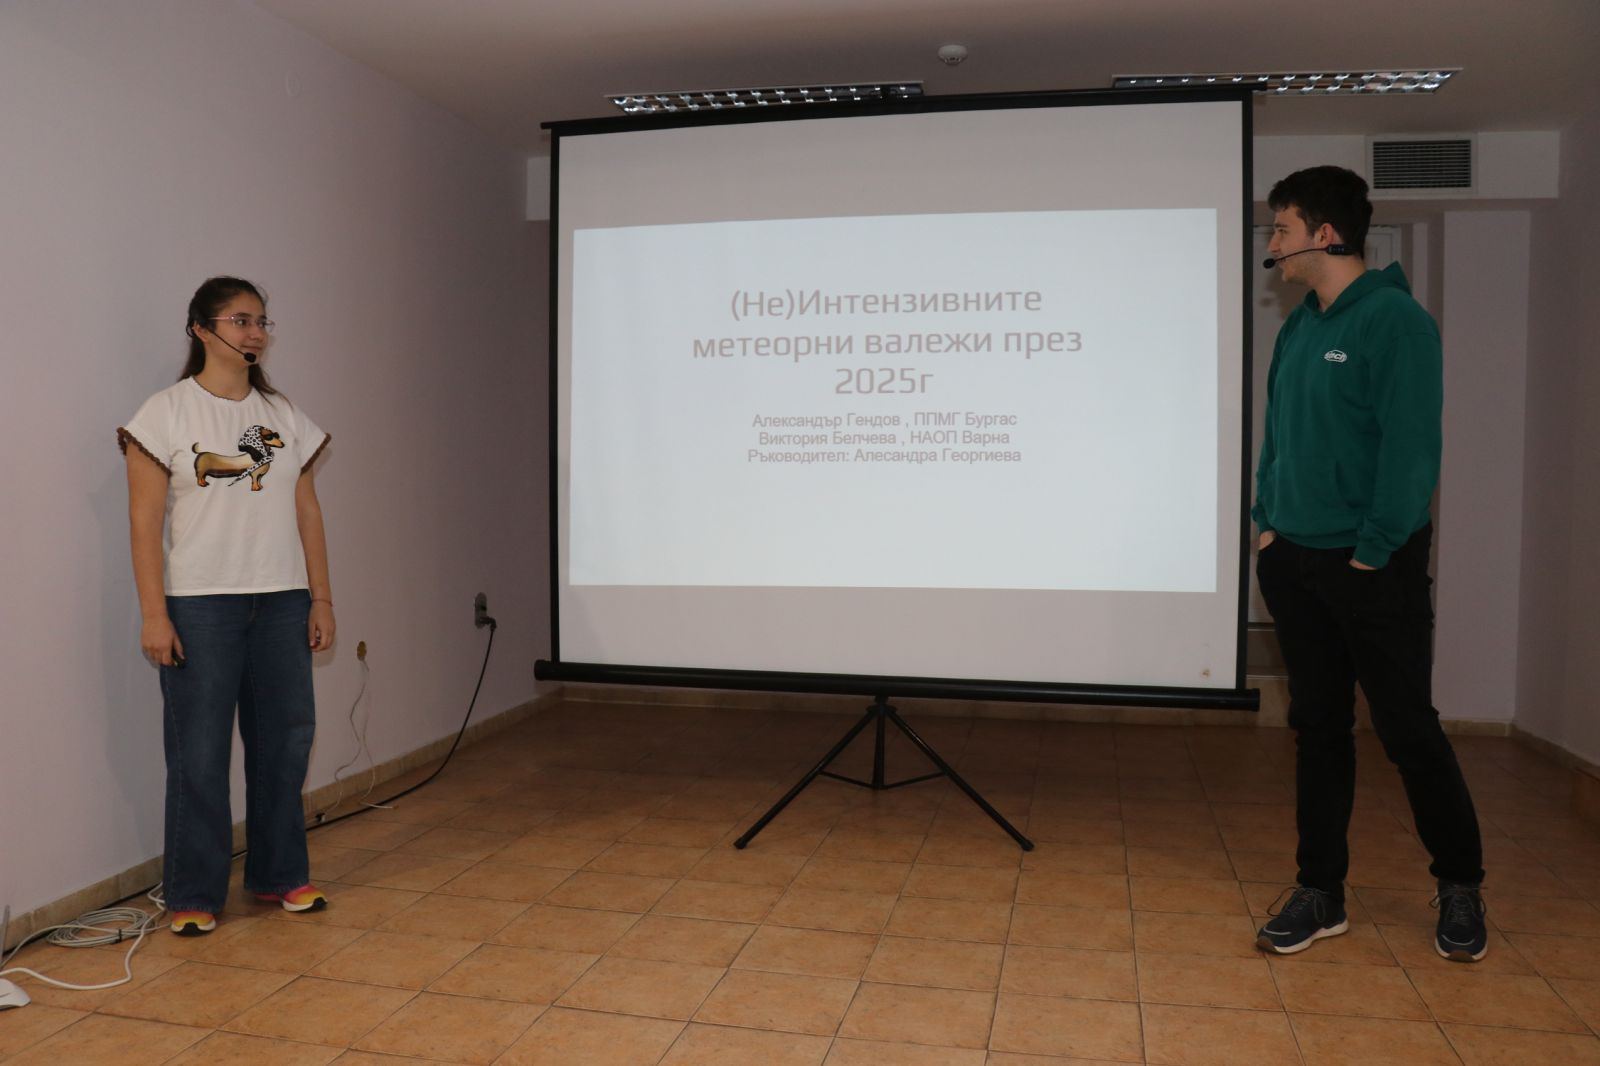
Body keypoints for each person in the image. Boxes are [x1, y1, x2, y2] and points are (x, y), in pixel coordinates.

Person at [1251, 167, 1487, 962]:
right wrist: (1266, 523)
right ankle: (1320, 892)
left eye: (1281, 230)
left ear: (1325, 235)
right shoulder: (1299, 327)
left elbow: (1412, 450)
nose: (1273, 246)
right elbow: (1279, 437)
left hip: (1370, 565)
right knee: (1318, 729)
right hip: (1295, 560)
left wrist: (1373, 552)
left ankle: (1461, 885)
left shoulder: (1396, 322)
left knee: (1407, 730)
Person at [120, 276, 334, 935]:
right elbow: (143, 523)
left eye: (262, 321)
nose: (255, 333)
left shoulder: (283, 414)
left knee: (284, 745)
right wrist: (155, 614)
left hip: (282, 602)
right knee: (200, 754)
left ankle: (279, 876)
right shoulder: (165, 414)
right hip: (200, 607)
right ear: (200, 329)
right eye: (241, 320)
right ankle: (193, 893)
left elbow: (306, 510)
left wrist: (321, 598)